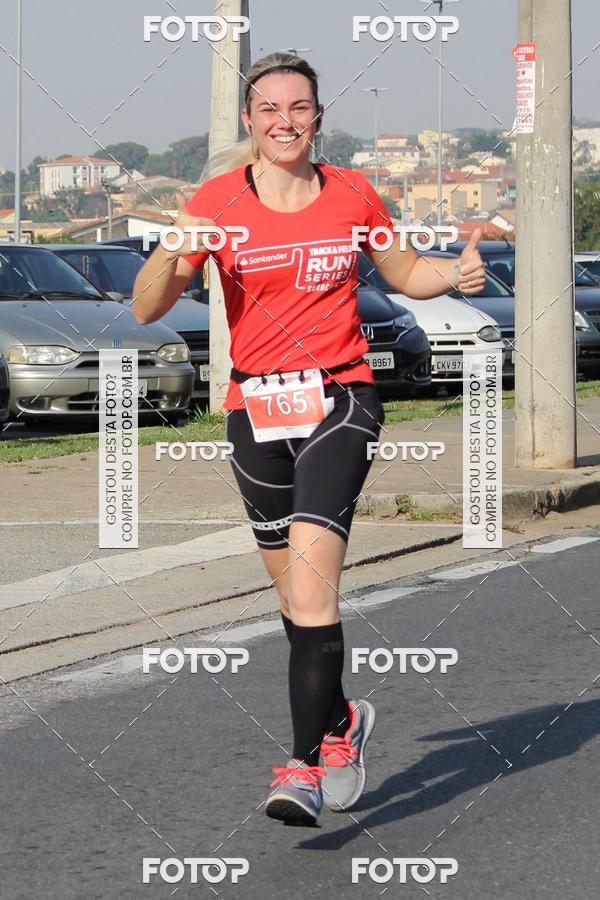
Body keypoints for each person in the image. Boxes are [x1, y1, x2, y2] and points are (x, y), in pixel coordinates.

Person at [132, 52, 485, 828]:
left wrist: (450, 278)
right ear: (250, 121)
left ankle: (300, 769)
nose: (285, 120)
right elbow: (146, 311)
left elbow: (400, 272)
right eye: (270, 108)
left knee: (310, 586)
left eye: (299, 107)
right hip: (253, 411)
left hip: (340, 399)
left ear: (318, 117)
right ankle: (341, 725)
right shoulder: (218, 200)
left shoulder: (353, 193)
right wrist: (172, 246)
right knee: (292, 598)